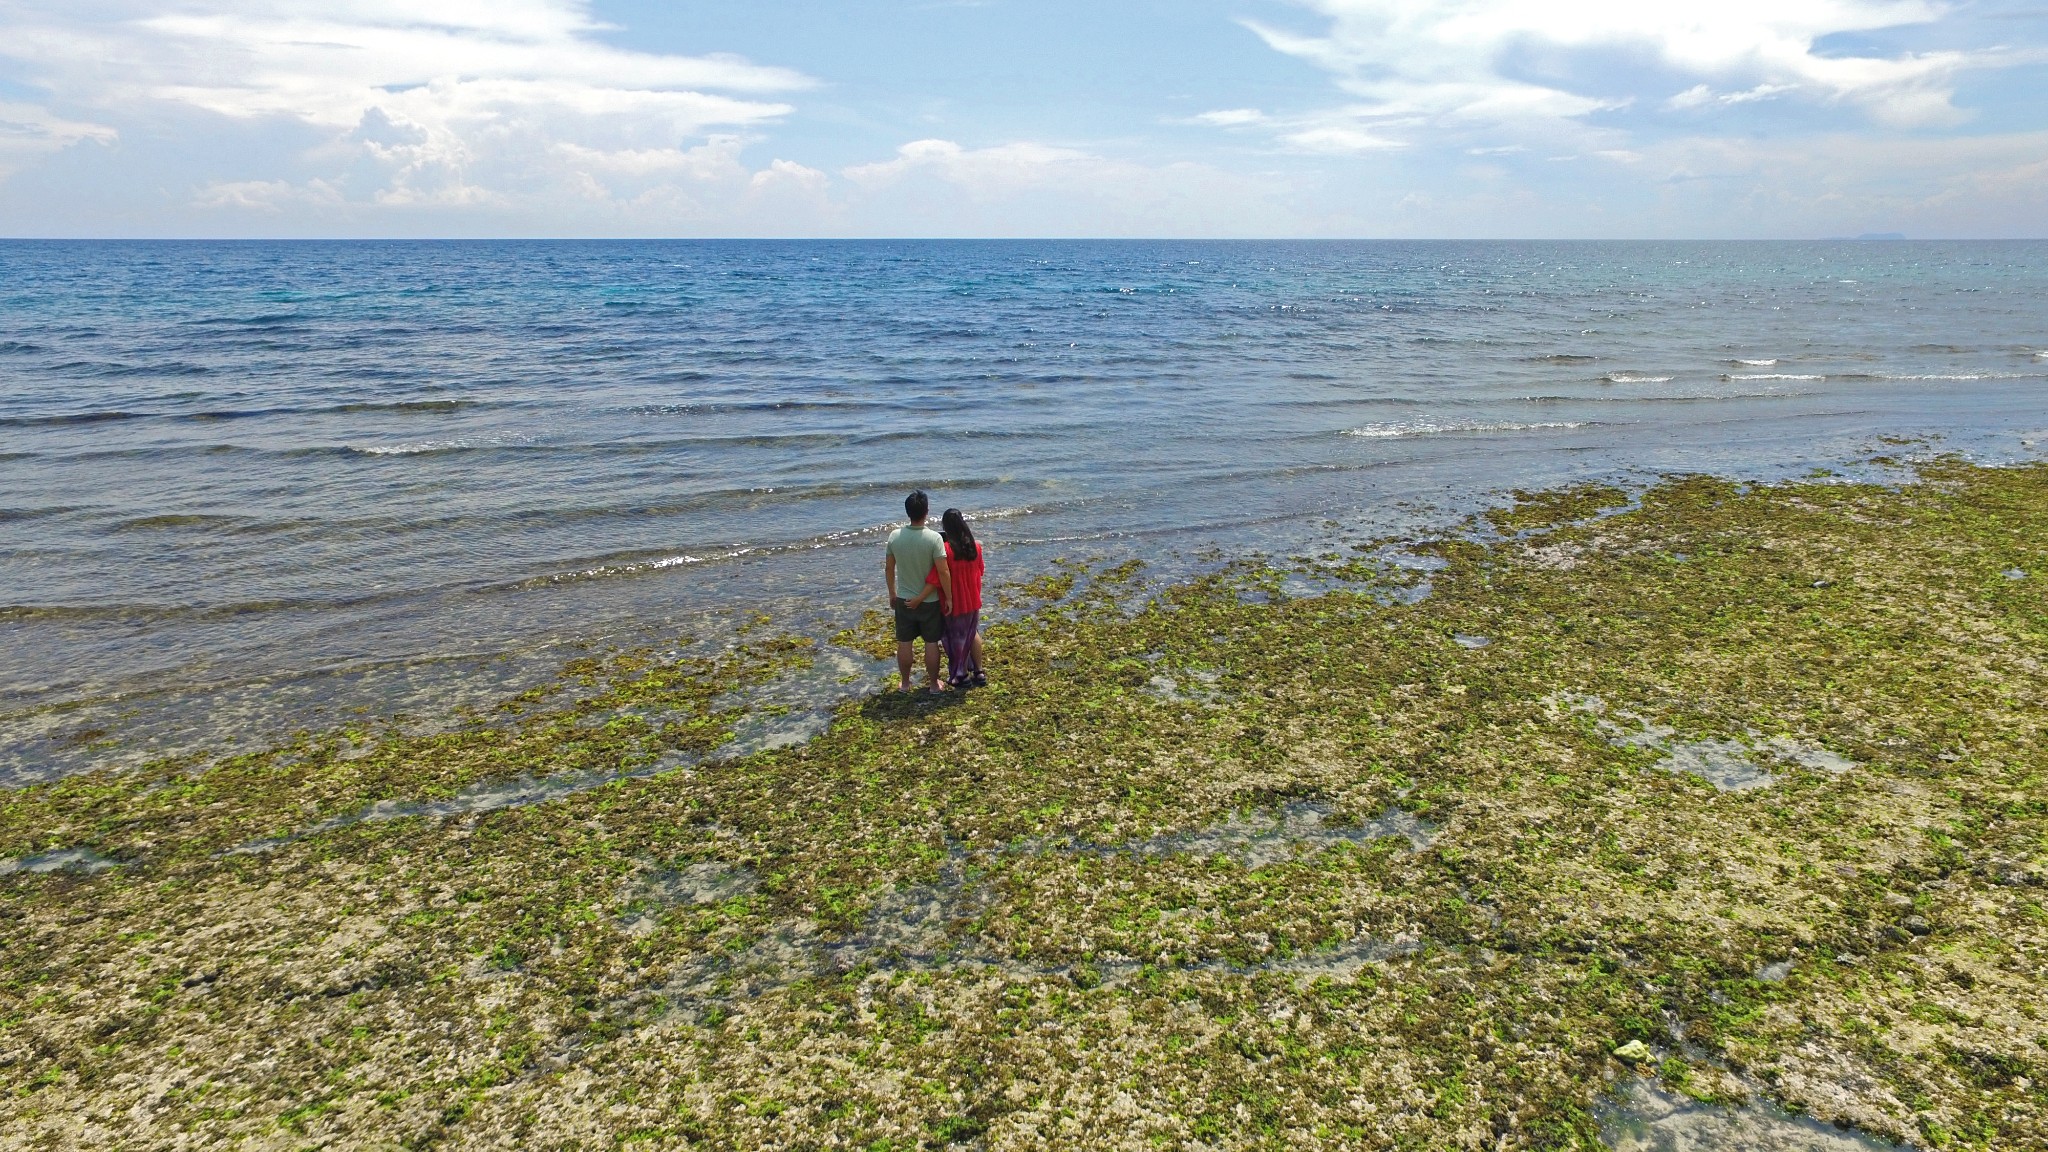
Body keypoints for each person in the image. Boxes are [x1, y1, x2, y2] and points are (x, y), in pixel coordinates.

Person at [884, 490, 953, 694]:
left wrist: (892, 593)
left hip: (904, 599)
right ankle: (933, 684)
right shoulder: (934, 538)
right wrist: (948, 597)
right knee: (931, 643)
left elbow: (889, 568)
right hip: (929, 600)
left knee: (904, 642)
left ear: (908, 512)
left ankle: (905, 684)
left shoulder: (895, 536)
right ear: (927, 511)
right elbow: (943, 571)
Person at [928, 508, 986, 688]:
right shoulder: (975, 547)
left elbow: (936, 577)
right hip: (973, 599)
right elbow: (981, 570)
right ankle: (979, 671)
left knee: (954, 638)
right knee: (972, 633)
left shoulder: (945, 550)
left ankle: (961, 674)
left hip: (955, 601)